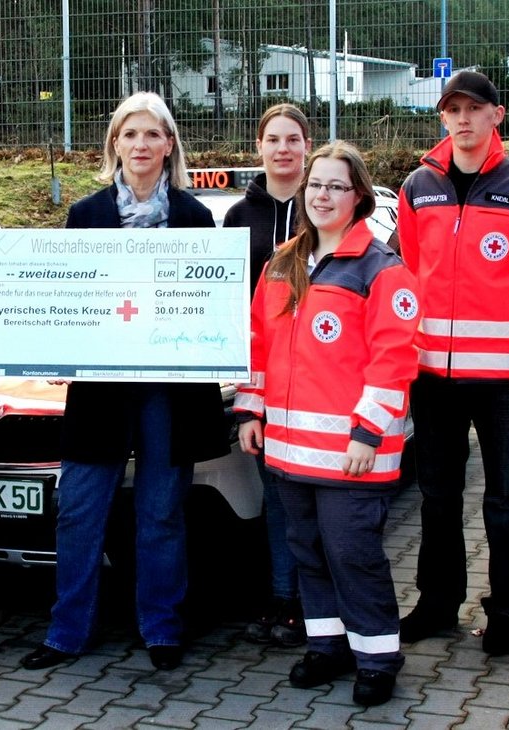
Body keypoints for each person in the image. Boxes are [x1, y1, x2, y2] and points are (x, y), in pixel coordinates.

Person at [20, 92, 227, 672]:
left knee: (161, 511)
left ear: (168, 146)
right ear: (115, 143)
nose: (140, 145)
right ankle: (66, 631)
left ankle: (161, 627)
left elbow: (208, 307)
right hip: (100, 389)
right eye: (129, 134)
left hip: (170, 389)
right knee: (80, 510)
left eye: (151, 135)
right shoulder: (85, 215)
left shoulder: (193, 217)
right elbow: (64, 297)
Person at [234, 142, 420, 707]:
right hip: (290, 452)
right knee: (309, 552)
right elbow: (257, 343)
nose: (322, 195)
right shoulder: (283, 261)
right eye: (316, 184)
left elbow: (395, 358)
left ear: (358, 195)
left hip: (349, 453)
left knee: (352, 554)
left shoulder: (382, 269)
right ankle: (327, 647)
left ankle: (378, 656)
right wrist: (250, 407)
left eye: (336, 186)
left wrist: (368, 432)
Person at [394, 70, 509, 656]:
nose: (463, 118)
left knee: (507, 500)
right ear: (442, 117)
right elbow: (407, 278)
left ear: (498, 115)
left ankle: (505, 613)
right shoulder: (418, 187)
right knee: (437, 497)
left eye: (475, 108)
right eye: (453, 109)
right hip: (433, 378)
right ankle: (438, 604)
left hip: (506, 381)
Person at [223, 102, 312, 647]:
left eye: (293, 139)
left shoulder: (325, 204)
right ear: (259, 147)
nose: (283, 149)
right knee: (277, 496)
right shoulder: (238, 217)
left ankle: (314, 604)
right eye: (273, 139)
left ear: (307, 146)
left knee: (316, 499)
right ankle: (282, 599)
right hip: (267, 378)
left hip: (321, 379)